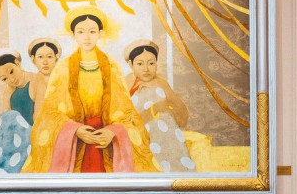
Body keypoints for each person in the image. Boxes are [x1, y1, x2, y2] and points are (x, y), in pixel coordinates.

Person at [25, 9, 155, 174]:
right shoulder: (63, 68)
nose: (87, 37)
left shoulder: (111, 66)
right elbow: (50, 112)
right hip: (75, 138)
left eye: (92, 31)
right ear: (73, 35)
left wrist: (113, 131)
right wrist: (75, 130)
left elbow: (126, 110)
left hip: (105, 137)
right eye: (81, 32)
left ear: (100, 33)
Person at [125, 40, 195, 173]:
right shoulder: (127, 85)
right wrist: (156, 108)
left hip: (169, 139)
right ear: (130, 64)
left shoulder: (161, 83)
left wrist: (169, 102)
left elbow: (183, 119)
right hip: (142, 140)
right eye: (140, 64)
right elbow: (129, 122)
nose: (146, 69)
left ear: (156, 63)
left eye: (151, 63)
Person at [26, 37, 60, 111]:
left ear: (56, 58)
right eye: (40, 57)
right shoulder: (31, 83)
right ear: (33, 60)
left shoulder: (64, 80)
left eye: (49, 57)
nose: (45, 62)